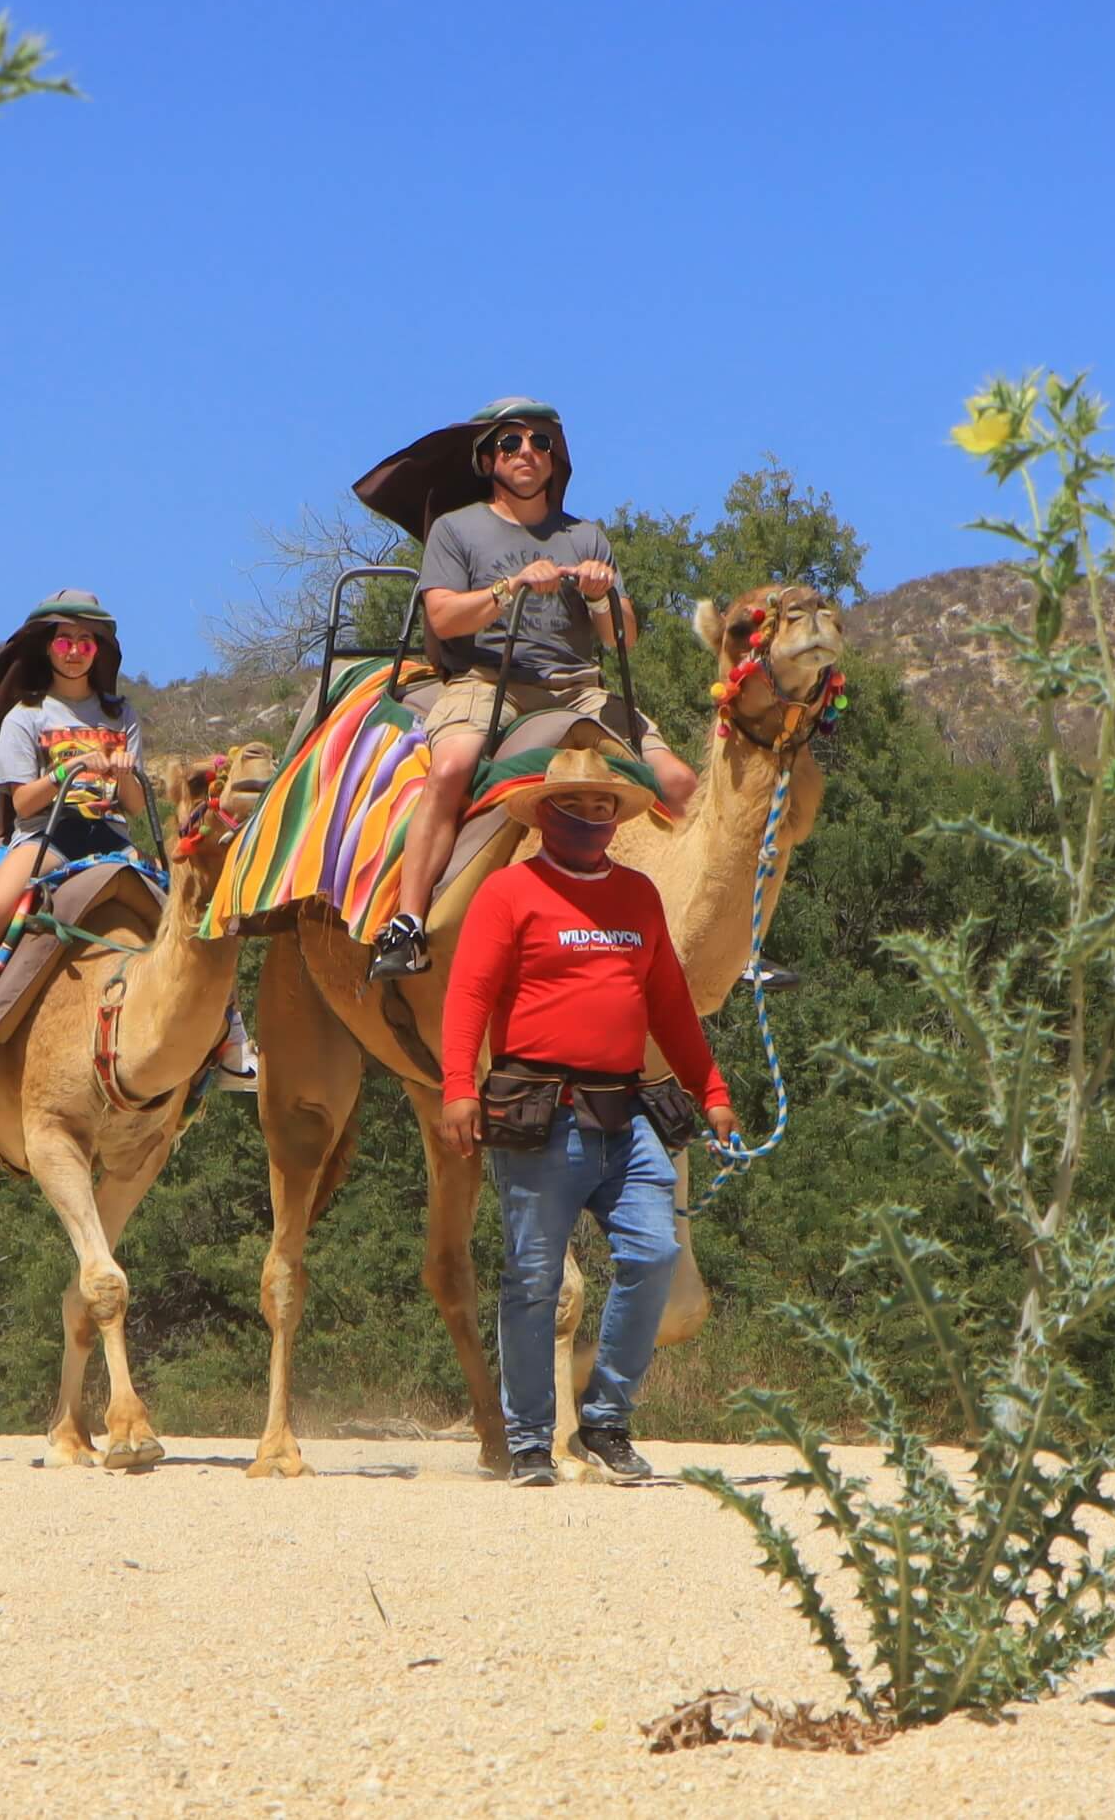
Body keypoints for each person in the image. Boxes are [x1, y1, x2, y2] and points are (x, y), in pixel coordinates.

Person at [438, 747, 738, 1486]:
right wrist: (456, 1085)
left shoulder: (637, 897)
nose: (593, 816)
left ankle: (605, 1420)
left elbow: (668, 1003)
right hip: (541, 1112)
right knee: (534, 1276)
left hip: (626, 1110)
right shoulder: (509, 892)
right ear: (547, 813)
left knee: (654, 1254)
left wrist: (713, 1090)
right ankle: (531, 1439)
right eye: (578, 804)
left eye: (604, 805)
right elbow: (468, 994)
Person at [366, 400, 699, 981]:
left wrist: (601, 594)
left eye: (540, 442)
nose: (526, 452)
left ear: (556, 458)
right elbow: (443, 619)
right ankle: (409, 923)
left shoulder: (585, 536)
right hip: (488, 684)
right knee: (449, 771)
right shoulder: (456, 529)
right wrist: (511, 586)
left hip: (580, 690)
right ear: (487, 458)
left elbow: (624, 636)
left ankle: (725, 937)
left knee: (680, 783)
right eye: (511, 442)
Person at [0, 589, 256, 1089]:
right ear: (48, 648)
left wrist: (124, 773)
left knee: (197, 914)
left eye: (86, 642)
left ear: (100, 651)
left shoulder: (120, 716)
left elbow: (135, 806)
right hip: (46, 838)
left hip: (112, 839)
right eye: (65, 640)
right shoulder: (26, 716)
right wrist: (71, 768)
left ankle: (233, 1045)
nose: (74, 651)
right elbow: (22, 803)